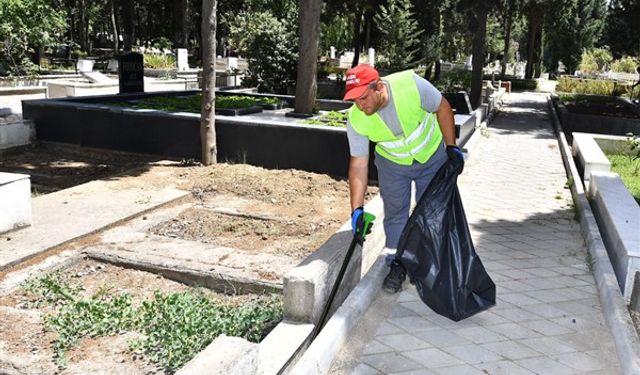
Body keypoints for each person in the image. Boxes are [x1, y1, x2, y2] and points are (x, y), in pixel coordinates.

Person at [344, 64, 464, 294]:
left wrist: (452, 147)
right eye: (355, 100)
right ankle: (398, 264)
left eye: (363, 97)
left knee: (432, 212)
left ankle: (433, 263)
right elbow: (358, 163)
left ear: (378, 87)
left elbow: (443, 107)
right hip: (393, 165)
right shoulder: (356, 119)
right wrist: (356, 210)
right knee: (396, 213)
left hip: (431, 157)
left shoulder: (411, 85)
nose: (360, 105)